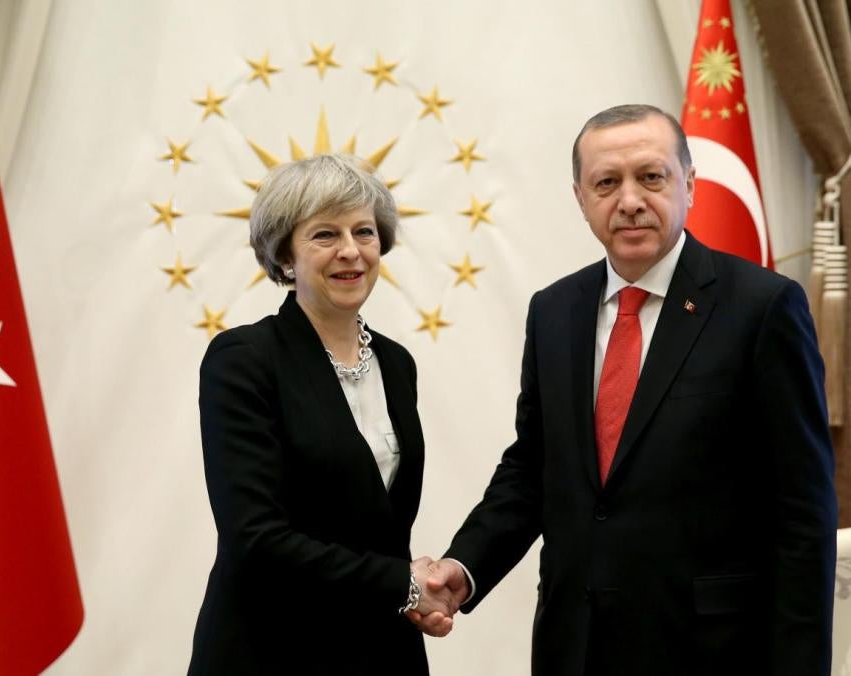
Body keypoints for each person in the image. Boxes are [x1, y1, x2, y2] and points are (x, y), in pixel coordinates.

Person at [409, 104, 838, 675]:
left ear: (689, 183)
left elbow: (803, 512)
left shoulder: (763, 308)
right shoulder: (555, 311)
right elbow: (533, 469)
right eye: (606, 182)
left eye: (651, 177)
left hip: (715, 650)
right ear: (580, 197)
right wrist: (463, 567)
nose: (630, 200)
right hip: (577, 645)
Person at [188, 154, 457, 675]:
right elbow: (254, 538)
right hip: (271, 648)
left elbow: (378, 522)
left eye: (364, 232)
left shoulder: (398, 363)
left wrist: (415, 588)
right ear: (285, 254)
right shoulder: (243, 360)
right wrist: (402, 584)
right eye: (325, 235)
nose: (351, 251)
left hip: (380, 649)